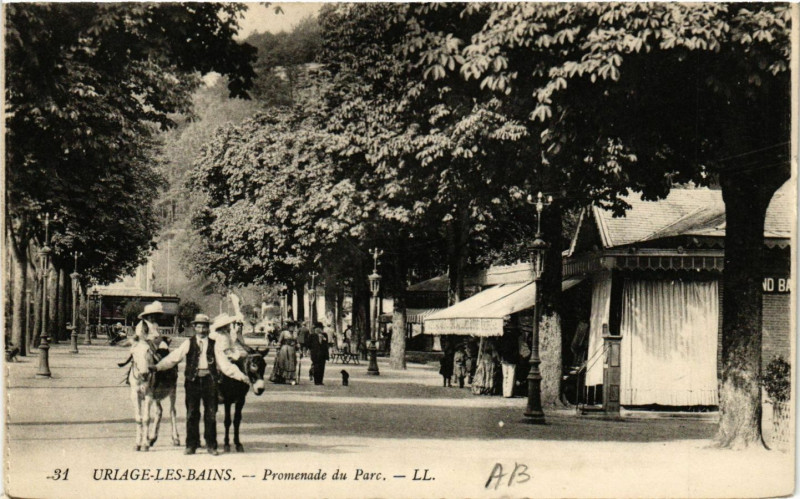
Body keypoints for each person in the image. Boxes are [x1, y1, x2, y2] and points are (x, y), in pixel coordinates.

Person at [154, 313, 248, 456]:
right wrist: (158, 367)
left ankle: (211, 445)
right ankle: (191, 444)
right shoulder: (188, 343)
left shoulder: (214, 344)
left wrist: (241, 376)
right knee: (192, 413)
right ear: (194, 328)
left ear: (208, 328)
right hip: (192, 381)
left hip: (210, 380)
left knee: (210, 413)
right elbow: (174, 358)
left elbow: (224, 364)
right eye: (199, 326)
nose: (202, 330)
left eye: (205, 327)